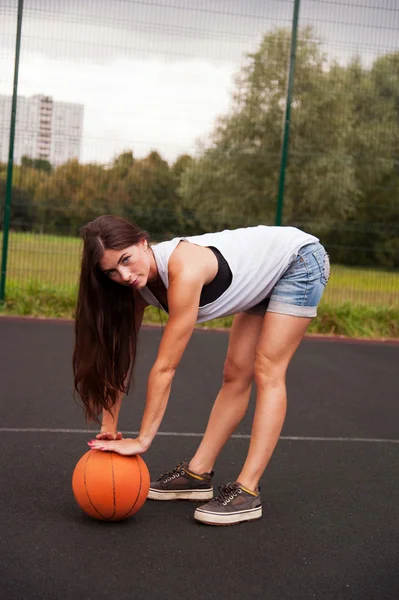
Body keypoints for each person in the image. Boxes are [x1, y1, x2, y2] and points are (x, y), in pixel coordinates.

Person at [73, 214, 330, 526]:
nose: (125, 275)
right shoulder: (134, 288)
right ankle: (198, 473)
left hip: (296, 260)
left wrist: (142, 441)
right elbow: (120, 359)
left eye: (126, 260)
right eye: (111, 271)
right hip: (265, 269)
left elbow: (166, 367)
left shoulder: (184, 268)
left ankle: (247, 490)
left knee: (267, 369)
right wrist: (109, 428)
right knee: (235, 373)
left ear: (143, 243)